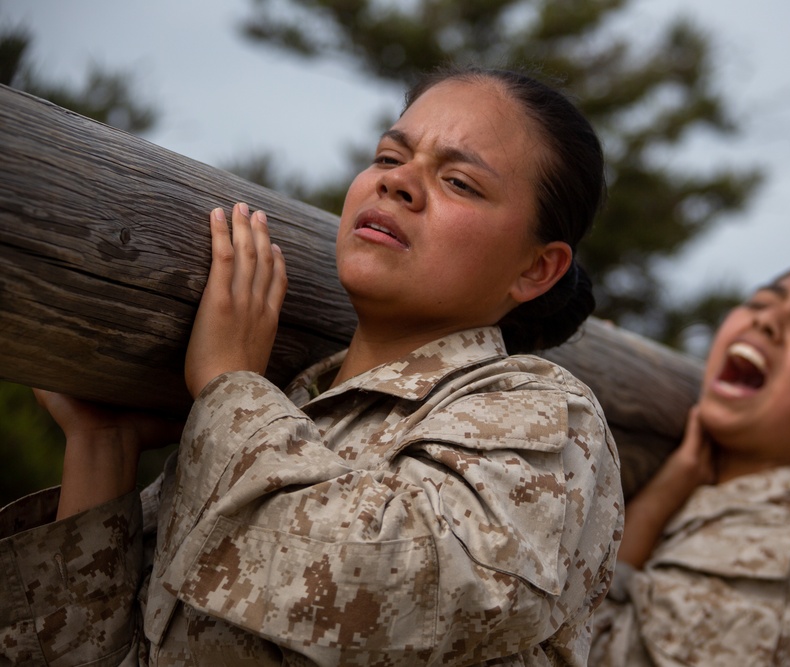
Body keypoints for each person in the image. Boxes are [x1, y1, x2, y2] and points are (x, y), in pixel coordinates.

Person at [0, 66, 624, 666]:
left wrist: (226, 383)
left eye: (459, 181)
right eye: (388, 156)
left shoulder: (549, 415)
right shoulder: (282, 411)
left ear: (536, 269)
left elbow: (382, 592)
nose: (398, 182)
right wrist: (100, 445)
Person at [588, 263, 790, 667]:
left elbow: (583, 654)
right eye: (760, 302)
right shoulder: (712, 503)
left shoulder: (789, 546)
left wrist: (653, 506)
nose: (766, 321)